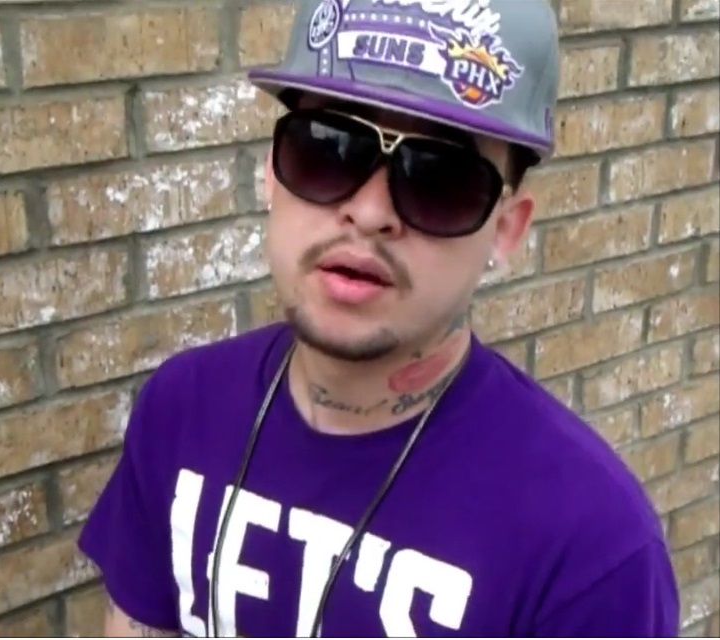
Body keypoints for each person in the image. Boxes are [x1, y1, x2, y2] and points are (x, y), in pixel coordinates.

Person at [78, 0, 680, 636]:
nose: (368, 213)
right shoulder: (181, 409)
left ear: (505, 229)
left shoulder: (591, 550)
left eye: (440, 179)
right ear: (272, 174)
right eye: (328, 148)